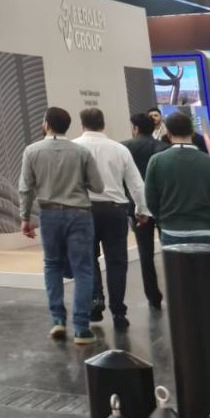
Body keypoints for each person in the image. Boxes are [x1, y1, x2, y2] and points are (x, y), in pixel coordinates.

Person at [18, 106, 104, 345]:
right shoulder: (81, 152)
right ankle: (82, 328)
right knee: (83, 269)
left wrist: (25, 217)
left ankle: (57, 319)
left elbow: (25, 188)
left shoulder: (31, 151)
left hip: (49, 215)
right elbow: (98, 186)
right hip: (80, 214)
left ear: (46, 124)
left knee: (52, 265)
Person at [73, 108, 146, 330]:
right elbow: (136, 184)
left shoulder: (74, 148)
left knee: (88, 257)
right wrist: (142, 209)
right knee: (117, 261)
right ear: (103, 124)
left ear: (82, 124)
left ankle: (96, 298)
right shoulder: (119, 149)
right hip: (115, 210)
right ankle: (118, 311)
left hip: (84, 210)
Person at [145, 111, 210, 247]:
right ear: (192, 133)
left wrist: (162, 220)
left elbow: (150, 199)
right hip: (207, 230)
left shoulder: (156, 161)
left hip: (172, 230)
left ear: (168, 134)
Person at [123, 112, 169, 310]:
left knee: (145, 253)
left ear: (135, 128)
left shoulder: (125, 147)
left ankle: (153, 296)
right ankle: (176, 288)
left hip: (136, 207)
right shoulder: (164, 148)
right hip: (163, 206)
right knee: (169, 249)